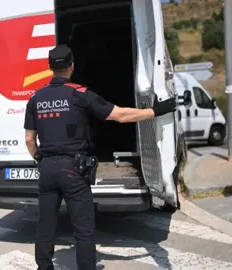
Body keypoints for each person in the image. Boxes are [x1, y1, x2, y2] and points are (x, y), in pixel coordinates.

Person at [23, 44, 177, 270]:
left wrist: (39, 158)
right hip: (73, 170)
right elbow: (120, 115)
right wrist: (155, 111)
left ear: (50, 68)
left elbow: (29, 138)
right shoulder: (80, 94)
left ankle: (44, 267)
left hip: (46, 169)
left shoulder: (36, 98)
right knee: (83, 228)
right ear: (71, 67)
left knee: (46, 224)